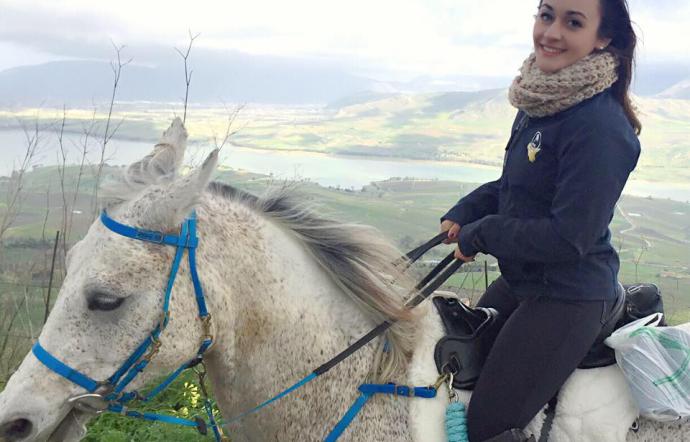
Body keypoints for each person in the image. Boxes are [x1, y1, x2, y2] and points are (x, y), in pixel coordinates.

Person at [439, 0, 641, 441]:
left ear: (603, 38)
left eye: (573, 22)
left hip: (569, 295)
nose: (551, 32)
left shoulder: (600, 127)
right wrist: (466, 211)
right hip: (525, 280)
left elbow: (570, 237)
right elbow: (516, 187)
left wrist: (482, 233)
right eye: (546, 15)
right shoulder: (544, 101)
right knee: (453, 368)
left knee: (488, 427)